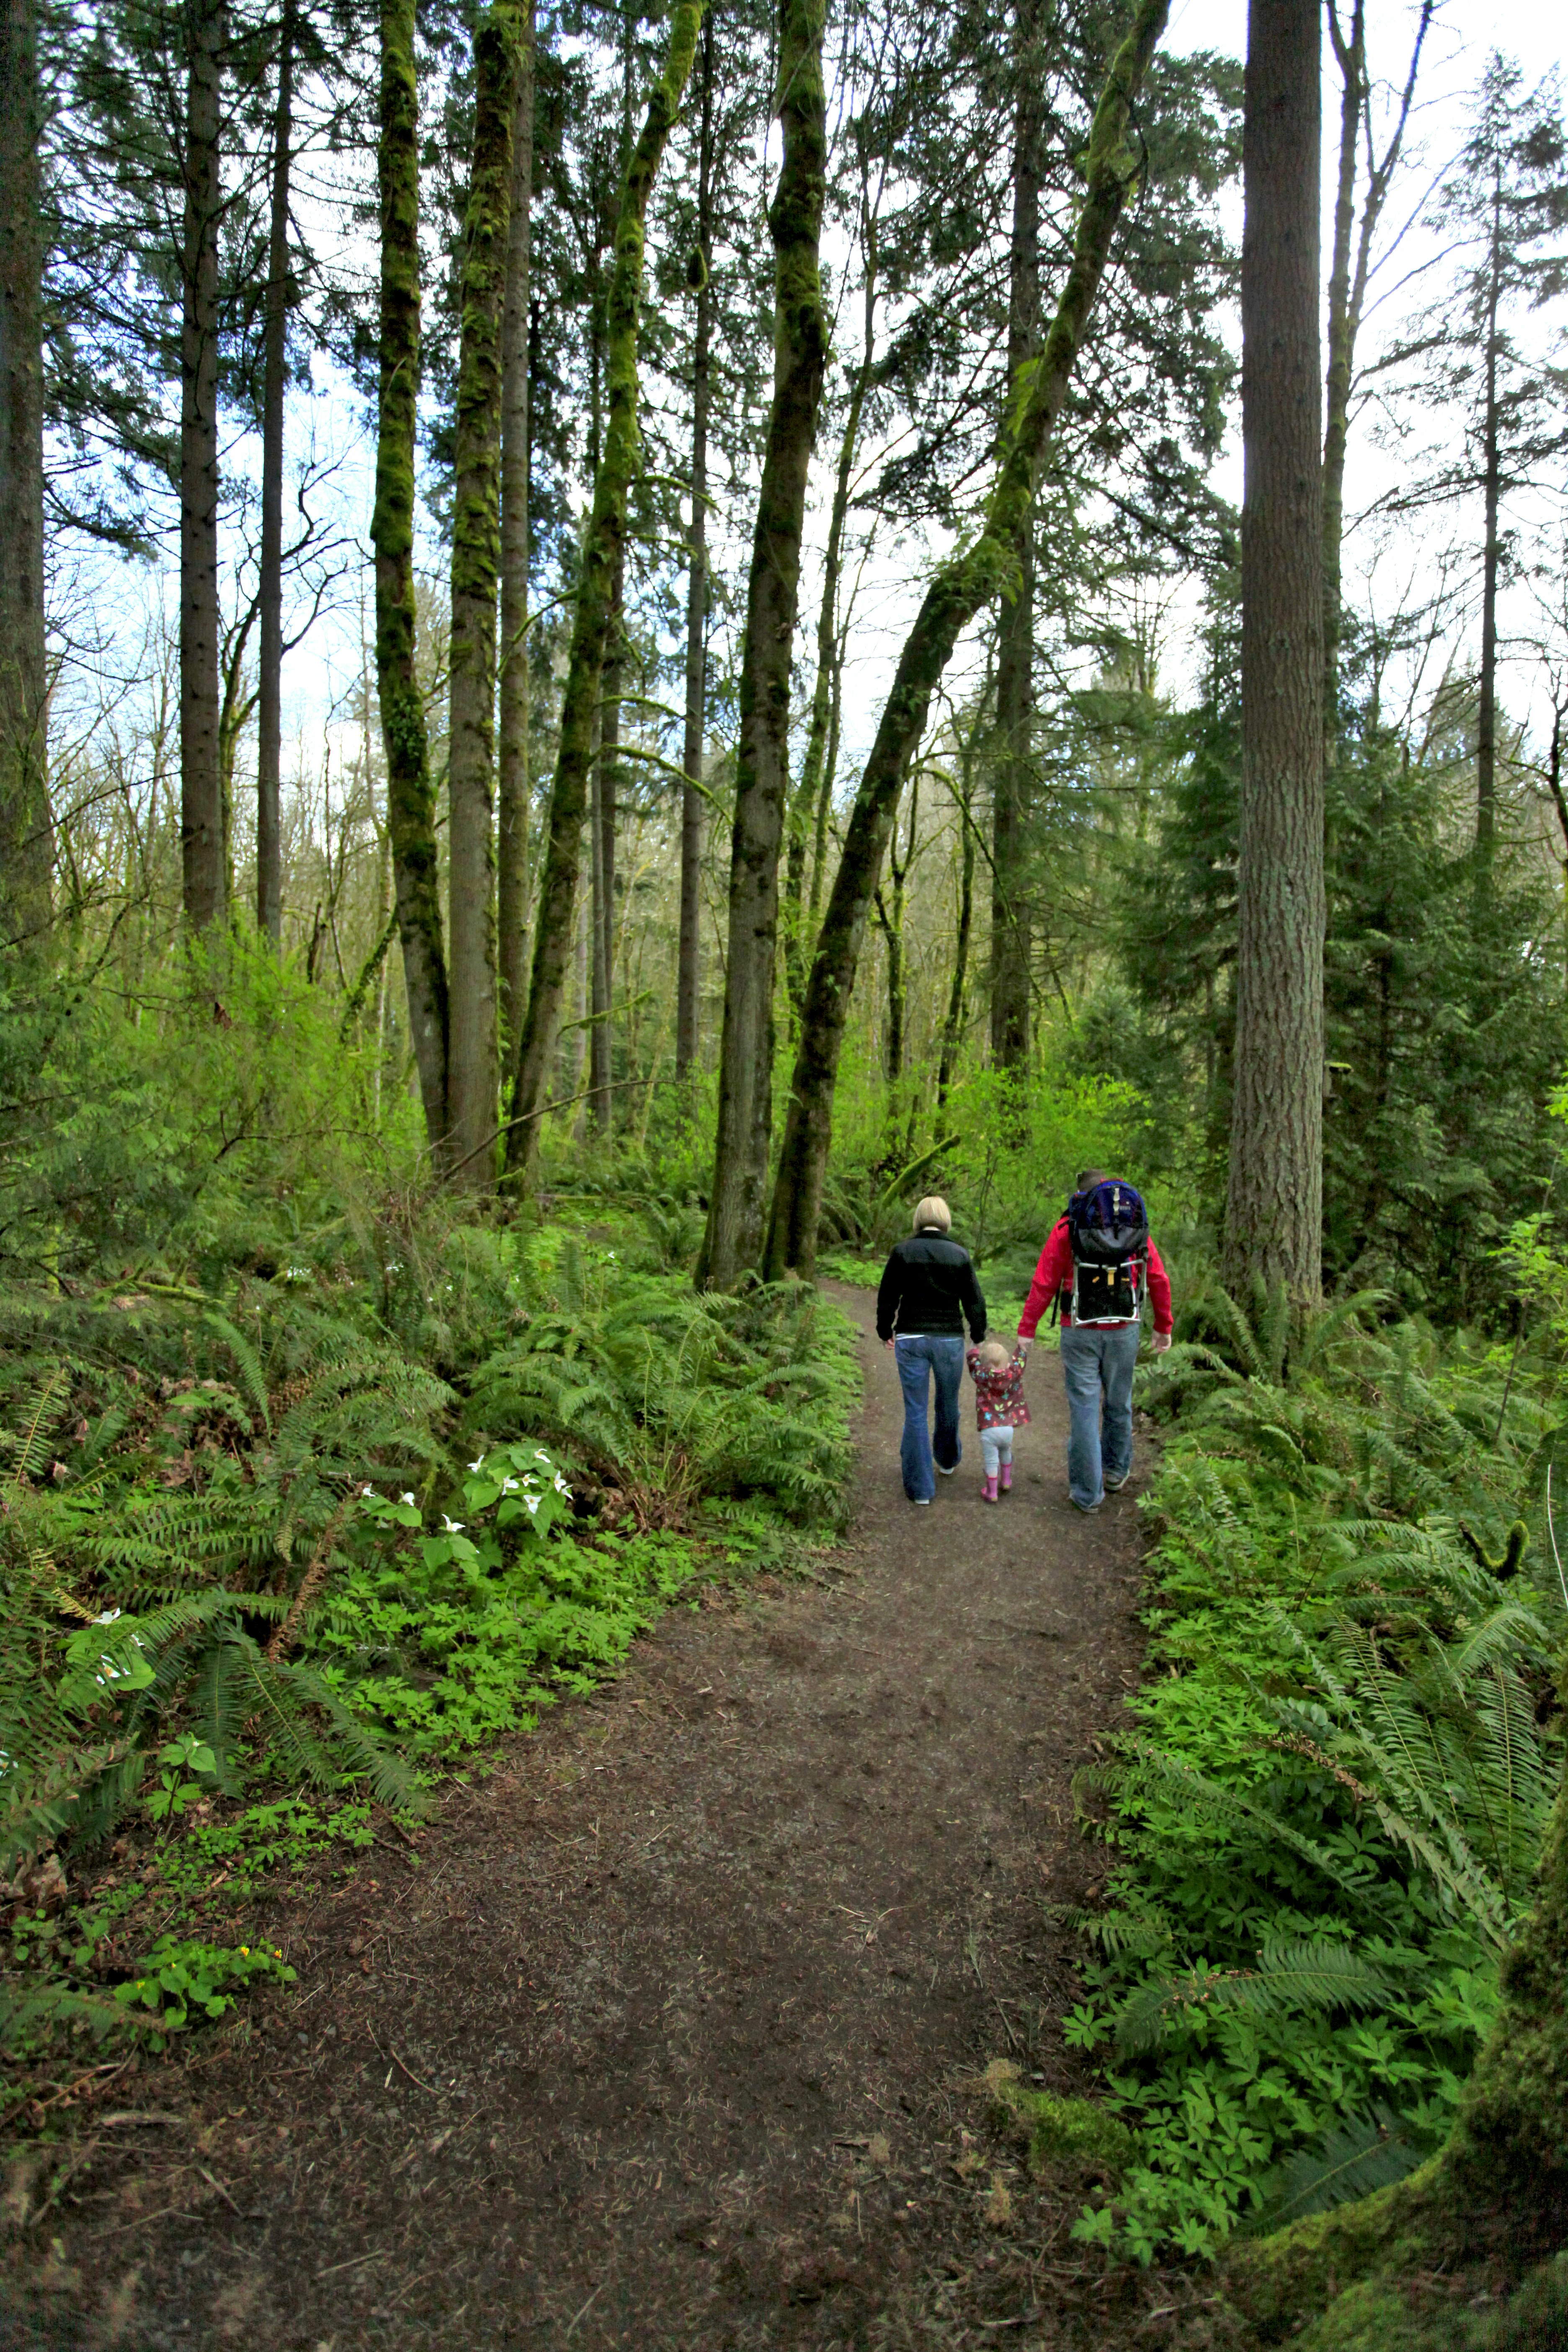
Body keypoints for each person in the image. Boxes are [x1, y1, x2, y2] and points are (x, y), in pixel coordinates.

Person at [1017, 1168, 1172, 1513]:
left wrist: (1027, 1330)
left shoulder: (1067, 1229)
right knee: (1119, 1402)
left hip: (1079, 1328)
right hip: (1124, 1329)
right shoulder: (1133, 1228)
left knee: (1084, 1410)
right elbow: (1158, 1277)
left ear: (1079, 1196)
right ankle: (1115, 1472)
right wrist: (1164, 1325)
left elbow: (1044, 1283)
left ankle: (1088, 1494)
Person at [875, 1197, 988, 1505]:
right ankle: (947, 1459)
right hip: (949, 1339)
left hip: (911, 1337)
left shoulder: (902, 1252)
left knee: (915, 1411)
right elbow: (974, 1300)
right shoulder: (960, 1255)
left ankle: (921, 1489)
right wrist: (978, 1335)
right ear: (945, 1219)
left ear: (918, 1219)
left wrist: (885, 1330)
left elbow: (888, 1295)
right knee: (948, 1403)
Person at [966, 1336, 1031, 1504]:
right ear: (1006, 1363)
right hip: (1008, 1427)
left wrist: (974, 1351)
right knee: (1006, 1451)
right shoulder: (1013, 1374)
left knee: (991, 1460)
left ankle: (992, 1492)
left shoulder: (981, 1375)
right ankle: (1007, 1481)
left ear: (984, 1364)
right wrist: (1021, 1350)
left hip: (989, 1427)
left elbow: (973, 1364)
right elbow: (1020, 1365)